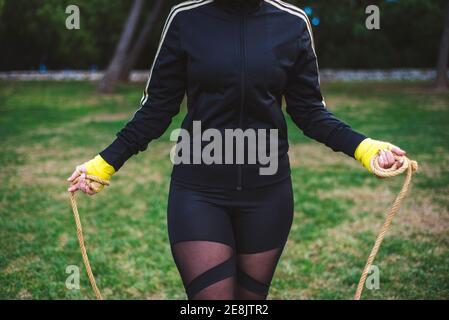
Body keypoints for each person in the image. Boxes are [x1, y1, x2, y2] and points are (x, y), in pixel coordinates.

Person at [68, 0, 406, 300]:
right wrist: (104, 163)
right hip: (198, 190)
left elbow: (310, 112)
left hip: (268, 194)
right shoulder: (185, 19)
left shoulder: (292, 22)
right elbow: (156, 110)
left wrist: (365, 148)